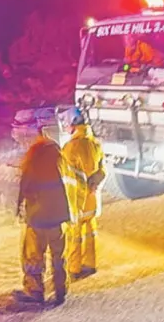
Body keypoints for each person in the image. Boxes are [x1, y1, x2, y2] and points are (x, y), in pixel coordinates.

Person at [12, 107, 71, 306]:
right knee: (58, 254)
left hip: (38, 215)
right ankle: (60, 290)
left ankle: (34, 290)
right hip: (59, 214)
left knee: (33, 254)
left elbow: (26, 183)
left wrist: (19, 206)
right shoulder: (55, 149)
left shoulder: (34, 153)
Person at [59, 105, 105, 278]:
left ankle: (74, 268)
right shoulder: (95, 143)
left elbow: (66, 175)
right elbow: (102, 170)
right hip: (92, 199)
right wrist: (94, 185)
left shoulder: (71, 147)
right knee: (90, 232)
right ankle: (90, 264)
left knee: (74, 235)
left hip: (77, 201)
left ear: (72, 124)